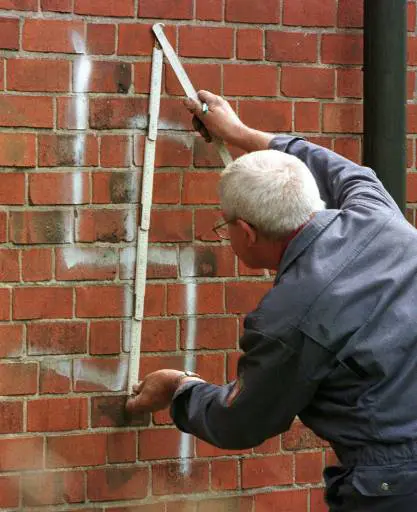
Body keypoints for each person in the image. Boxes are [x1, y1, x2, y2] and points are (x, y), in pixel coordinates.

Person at [126, 90, 417, 511]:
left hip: (395, 485)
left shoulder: (289, 317)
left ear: (246, 232)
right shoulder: (375, 211)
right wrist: (240, 133)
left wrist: (179, 390)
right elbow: (325, 162)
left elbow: (240, 421)